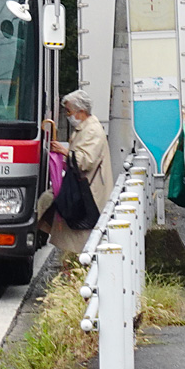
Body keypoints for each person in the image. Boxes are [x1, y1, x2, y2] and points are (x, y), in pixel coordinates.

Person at [47, 89, 114, 255]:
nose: (68, 116)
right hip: (84, 188)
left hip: (88, 191)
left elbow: (85, 161)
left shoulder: (91, 130)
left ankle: (76, 266)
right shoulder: (87, 128)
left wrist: (65, 152)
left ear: (81, 112)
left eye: (69, 111)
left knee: (81, 235)